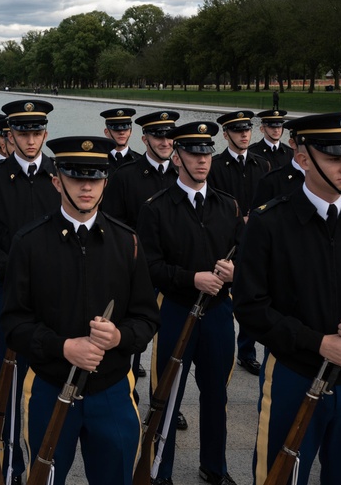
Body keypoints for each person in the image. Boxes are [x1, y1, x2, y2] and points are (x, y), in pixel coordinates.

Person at [234, 112, 341, 485]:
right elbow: (249, 304)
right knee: (280, 476)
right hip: (294, 374)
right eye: (335, 158)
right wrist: (317, 342)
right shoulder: (269, 223)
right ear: (304, 158)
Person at [3, 135, 159, 485]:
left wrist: (120, 335)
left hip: (113, 389)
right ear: (57, 180)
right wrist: (64, 347)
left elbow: (147, 317)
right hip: (50, 385)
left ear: (107, 181)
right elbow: (13, 323)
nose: (86, 186)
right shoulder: (28, 243)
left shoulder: (127, 241)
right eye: (76, 176)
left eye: (96, 177)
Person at [137, 121, 241, 485]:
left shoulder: (227, 205)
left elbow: (246, 257)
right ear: (177, 157)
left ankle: (215, 466)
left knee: (217, 395)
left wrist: (233, 271)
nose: (202, 161)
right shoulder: (157, 208)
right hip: (177, 309)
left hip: (217, 312)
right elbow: (149, 266)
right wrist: (191, 278)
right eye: (194, 154)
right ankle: (158, 469)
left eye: (206, 153)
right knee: (166, 394)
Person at [0, 99, 62, 484]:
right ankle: (9, 469)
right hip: (10, 293)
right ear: (11, 134)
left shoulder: (60, 174)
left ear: (45, 134)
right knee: (8, 384)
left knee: (47, 381)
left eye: (37, 132)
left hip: (54, 297)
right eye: (22, 132)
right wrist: (19, 272)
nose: (30, 139)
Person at [101, 110, 181, 387]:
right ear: (146, 138)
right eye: (159, 136)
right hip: (137, 267)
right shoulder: (126, 176)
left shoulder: (179, 174)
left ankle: (166, 399)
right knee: (133, 333)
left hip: (172, 271)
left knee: (171, 342)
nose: (165, 142)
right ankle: (130, 387)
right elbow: (113, 223)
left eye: (170, 137)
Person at [207, 111, 269, 377]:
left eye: (247, 129)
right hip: (227, 238)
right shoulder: (216, 165)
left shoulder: (262, 164)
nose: (244, 134)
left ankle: (247, 350)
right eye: (237, 130)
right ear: (226, 135)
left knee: (251, 291)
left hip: (254, 237)